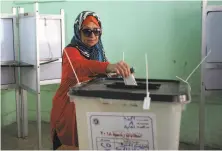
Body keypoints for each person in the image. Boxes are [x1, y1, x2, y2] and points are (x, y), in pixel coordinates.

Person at [50, 11, 132, 150]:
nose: (92, 36)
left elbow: (101, 74)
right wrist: (108, 67)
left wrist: (117, 74)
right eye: (87, 31)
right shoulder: (70, 51)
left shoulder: (98, 51)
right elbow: (81, 66)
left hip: (89, 110)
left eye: (96, 31)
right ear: (78, 31)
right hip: (68, 111)